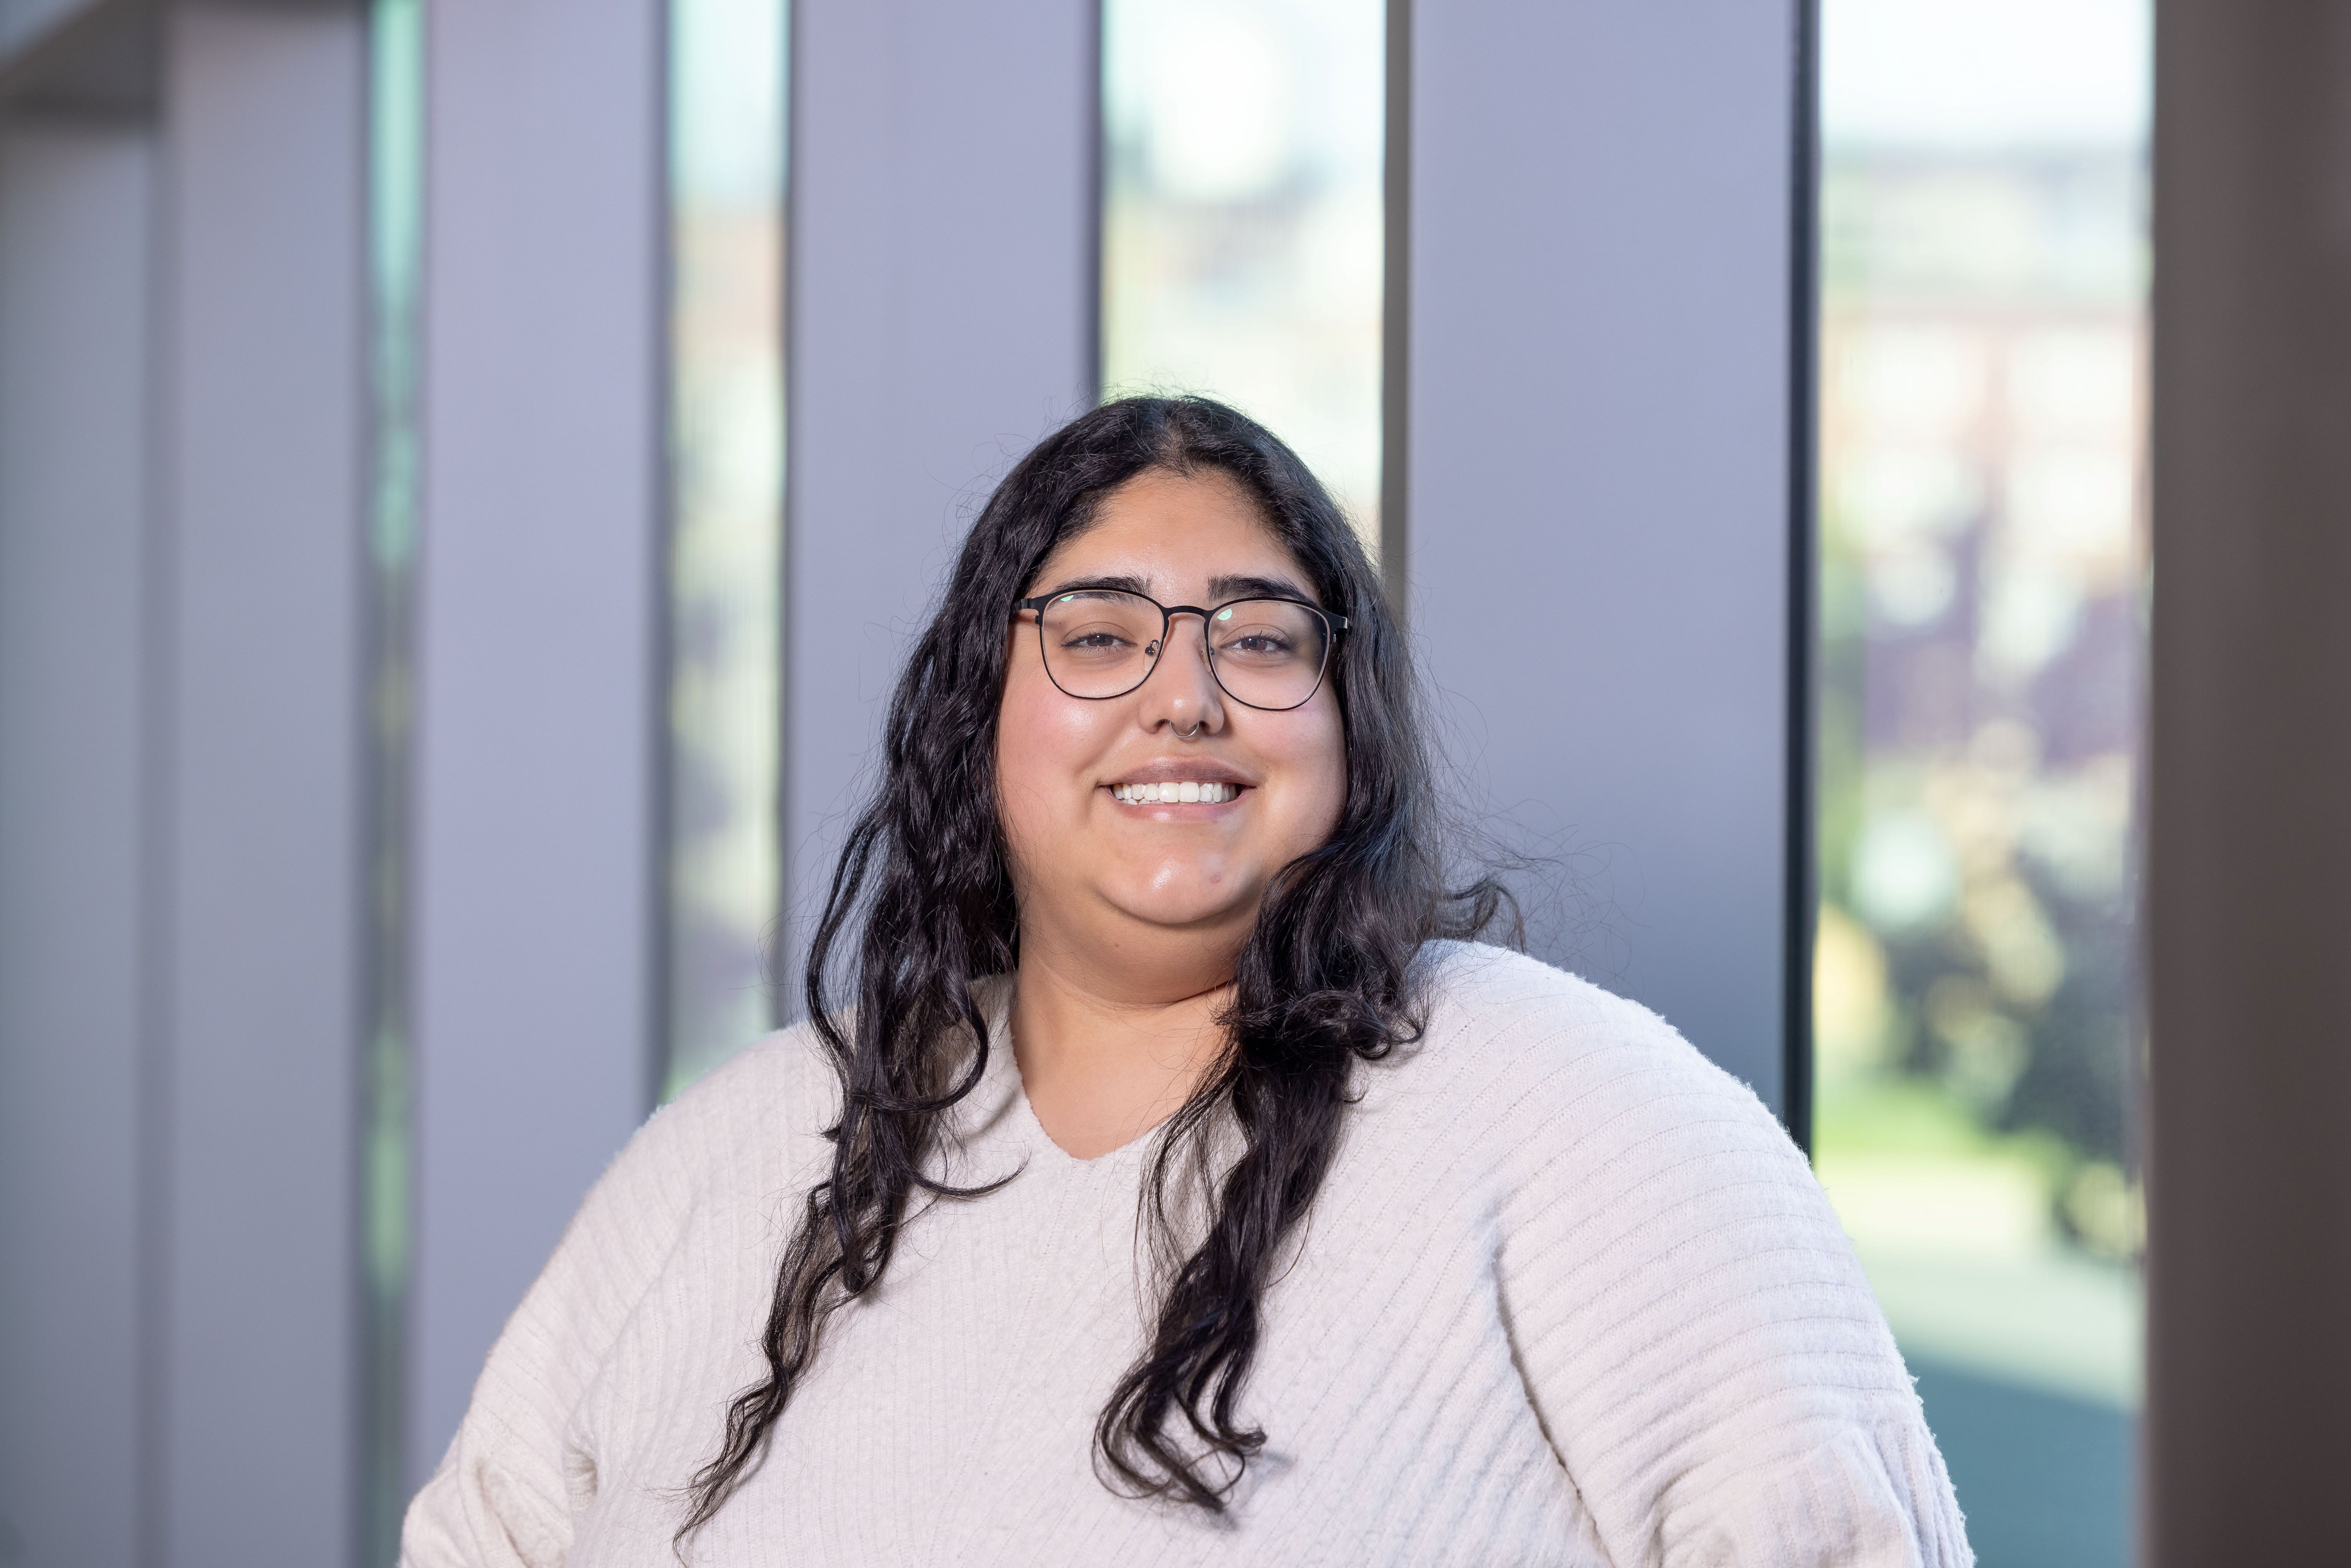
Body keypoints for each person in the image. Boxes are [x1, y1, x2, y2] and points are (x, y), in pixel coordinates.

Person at [401, 398, 1969, 1566]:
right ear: (981, 715)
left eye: (1262, 637)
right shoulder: (740, 1152)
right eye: (1098, 634)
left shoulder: (1583, 1119)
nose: (1187, 695)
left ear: (1346, 718)